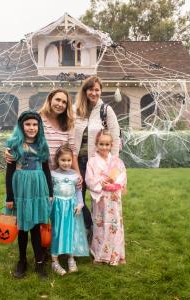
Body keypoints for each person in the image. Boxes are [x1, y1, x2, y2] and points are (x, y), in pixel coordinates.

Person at [5, 111, 53, 279]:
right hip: (21, 190)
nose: (31, 128)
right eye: (28, 124)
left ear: (39, 127)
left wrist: (50, 192)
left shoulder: (41, 145)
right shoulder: (14, 145)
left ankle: (39, 262)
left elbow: (46, 169)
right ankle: (22, 261)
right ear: (21, 126)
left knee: (36, 227)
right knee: (23, 227)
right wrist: (9, 197)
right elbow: (9, 172)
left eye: (34, 124)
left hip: (38, 189)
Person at [74, 76, 121, 236]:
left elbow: (115, 137)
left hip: (98, 163)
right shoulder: (75, 110)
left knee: (99, 198)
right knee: (76, 196)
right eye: (90, 89)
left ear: (100, 91)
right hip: (78, 161)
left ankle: (100, 234)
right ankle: (88, 224)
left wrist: (112, 165)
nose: (94, 93)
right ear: (85, 91)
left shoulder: (105, 110)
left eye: (97, 89)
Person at [85, 129, 127, 265]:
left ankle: (116, 254)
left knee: (115, 224)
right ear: (96, 144)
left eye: (107, 144)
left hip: (113, 197)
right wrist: (100, 184)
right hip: (101, 198)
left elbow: (122, 176)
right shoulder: (92, 161)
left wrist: (114, 183)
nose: (104, 147)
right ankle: (100, 254)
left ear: (111, 145)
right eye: (101, 144)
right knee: (100, 224)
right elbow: (89, 179)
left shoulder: (117, 161)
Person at [50, 144, 89, 275]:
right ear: (57, 160)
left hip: (71, 207)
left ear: (72, 161)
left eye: (69, 160)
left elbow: (79, 191)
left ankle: (71, 258)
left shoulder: (75, 175)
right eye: (63, 160)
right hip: (57, 208)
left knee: (70, 232)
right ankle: (54, 261)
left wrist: (80, 204)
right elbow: (49, 192)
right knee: (57, 231)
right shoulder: (53, 174)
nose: (66, 163)